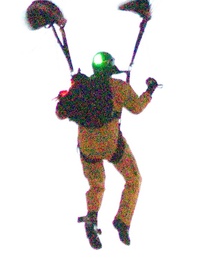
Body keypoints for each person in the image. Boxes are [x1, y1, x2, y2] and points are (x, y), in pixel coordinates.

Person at [54, 50, 158, 248]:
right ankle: (122, 221)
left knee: (97, 185)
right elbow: (136, 108)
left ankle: (92, 219)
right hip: (111, 144)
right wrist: (149, 91)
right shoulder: (118, 87)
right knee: (134, 179)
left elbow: (61, 113)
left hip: (87, 147)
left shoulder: (80, 88)